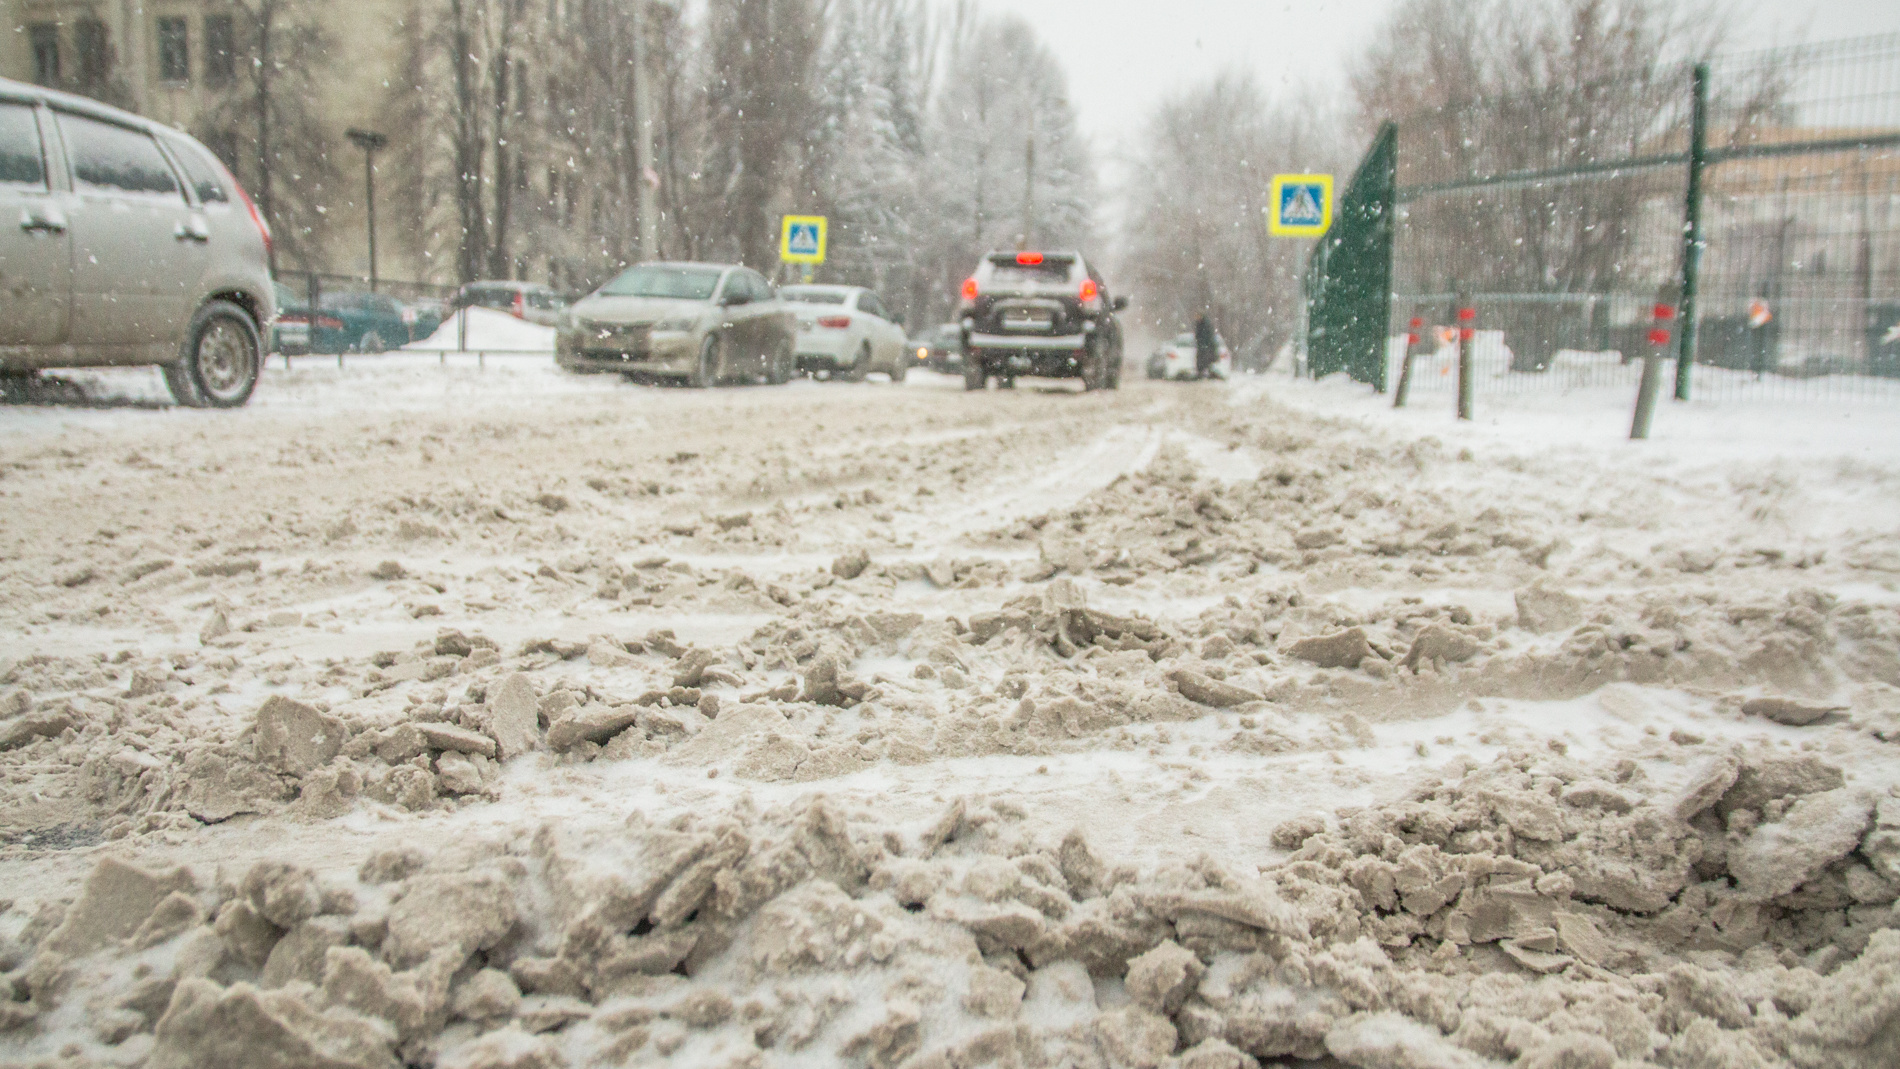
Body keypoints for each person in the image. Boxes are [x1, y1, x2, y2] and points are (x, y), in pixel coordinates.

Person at [1193, 314, 1218, 379]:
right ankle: (1203, 373)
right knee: (1203, 362)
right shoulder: (1200, 324)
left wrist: (1203, 344)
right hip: (1203, 347)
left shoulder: (1205, 325)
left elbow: (1206, 336)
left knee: (1204, 361)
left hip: (1205, 347)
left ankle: (1204, 373)